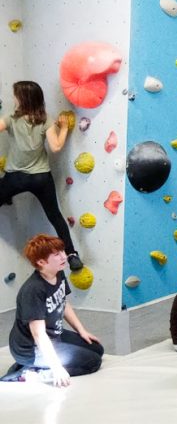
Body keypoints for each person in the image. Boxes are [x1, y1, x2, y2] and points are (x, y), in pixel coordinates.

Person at [0, 81, 84, 271]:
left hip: (16, 178)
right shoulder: (45, 120)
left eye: (15, 95)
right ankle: (72, 255)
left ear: (21, 98)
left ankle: (6, 196)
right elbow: (56, 147)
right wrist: (63, 129)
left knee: (3, 189)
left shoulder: (12, 118)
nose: (13, 98)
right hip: (41, 178)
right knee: (55, 216)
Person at [4, 234, 103, 386]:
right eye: (57, 254)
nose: (64, 256)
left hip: (54, 335)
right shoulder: (34, 290)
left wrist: (82, 331)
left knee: (97, 349)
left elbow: (63, 303)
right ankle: (32, 373)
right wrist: (56, 368)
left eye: (62, 251)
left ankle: (35, 365)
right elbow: (38, 333)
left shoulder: (58, 272)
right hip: (30, 348)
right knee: (92, 362)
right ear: (41, 262)